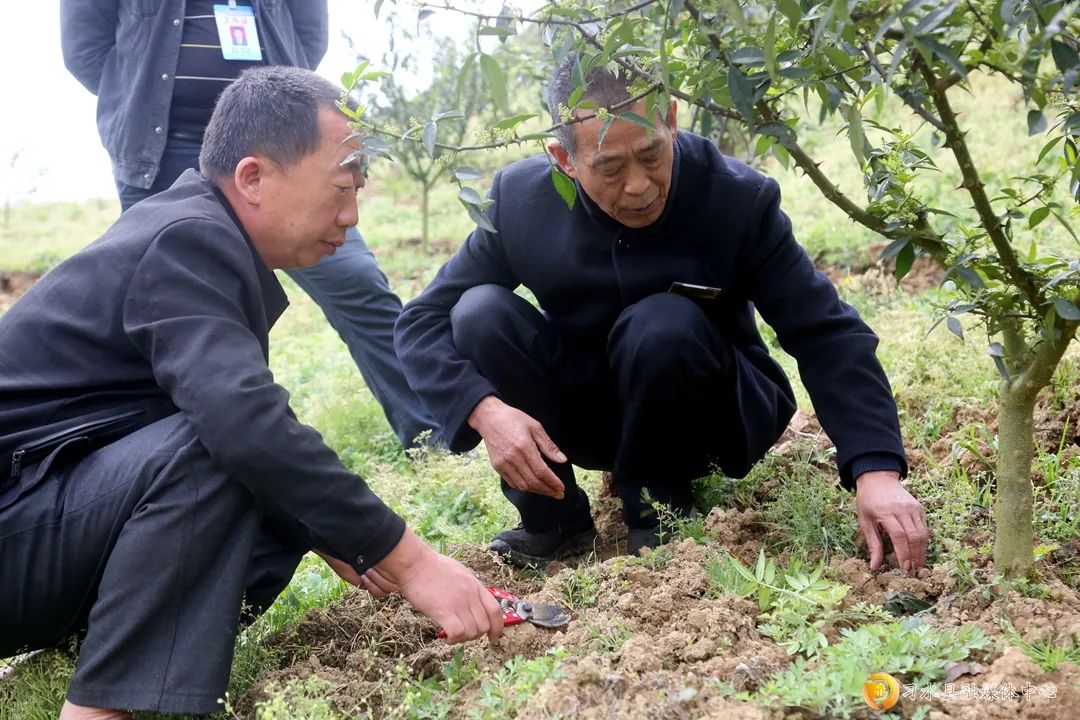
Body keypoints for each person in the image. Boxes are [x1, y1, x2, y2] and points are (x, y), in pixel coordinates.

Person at [0, 66, 502, 720]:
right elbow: (239, 423)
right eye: (341, 188)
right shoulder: (188, 240)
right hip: (18, 520)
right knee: (221, 451)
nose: (351, 216)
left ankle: (95, 649)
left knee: (283, 501)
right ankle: (101, 708)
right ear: (253, 177)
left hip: (40, 514)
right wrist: (409, 560)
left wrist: (341, 535)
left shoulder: (199, 232)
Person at [395, 56, 930, 570]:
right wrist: (484, 410)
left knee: (662, 324)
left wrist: (875, 467)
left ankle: (661, 511)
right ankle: (552, 519)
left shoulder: (737, 198)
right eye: (609, 167)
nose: (639, 185)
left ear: (671, 121)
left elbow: (825, 333)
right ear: (565, 161)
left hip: (713, 409)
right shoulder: (521, 201)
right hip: (591, 412)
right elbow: (422, 320)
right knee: (478, 312)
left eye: (652, 154)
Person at [59, 0, 441, 450]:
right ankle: (174, 451)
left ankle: (431, 429)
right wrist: (140, 93)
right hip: (160, 152)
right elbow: (85, 49)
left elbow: (308, 33)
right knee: (173, 308)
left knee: (354, 277)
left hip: (279, 149)